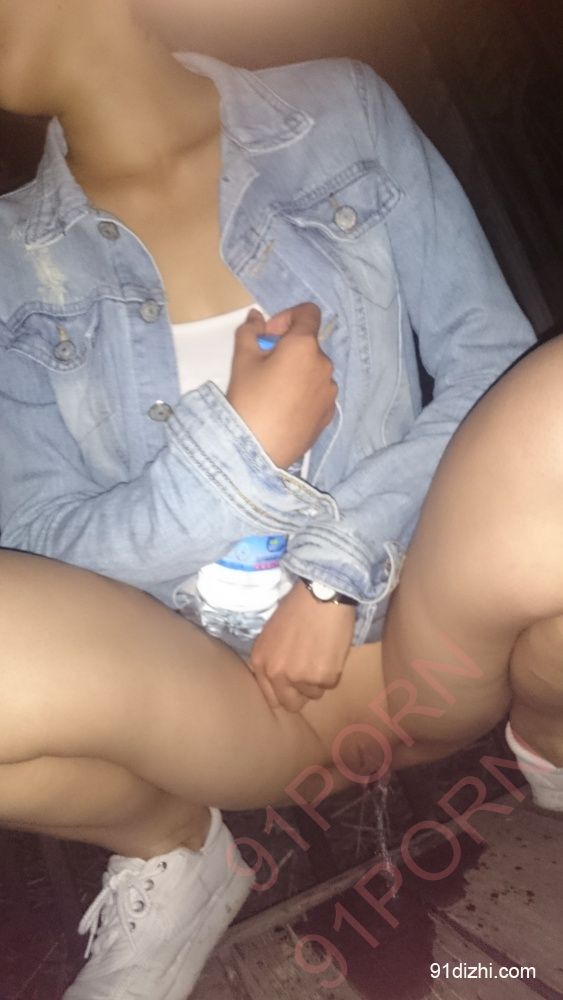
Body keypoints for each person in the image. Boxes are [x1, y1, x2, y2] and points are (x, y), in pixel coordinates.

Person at [0, 1, 553, 998]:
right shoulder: (7, 260)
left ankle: (550, 736)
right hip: (215, 713)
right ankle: (172, 848)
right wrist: (242, 452)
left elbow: (489, 363)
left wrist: (336, 567)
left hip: (422, 644)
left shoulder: (338, 112)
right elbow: (40, 542)